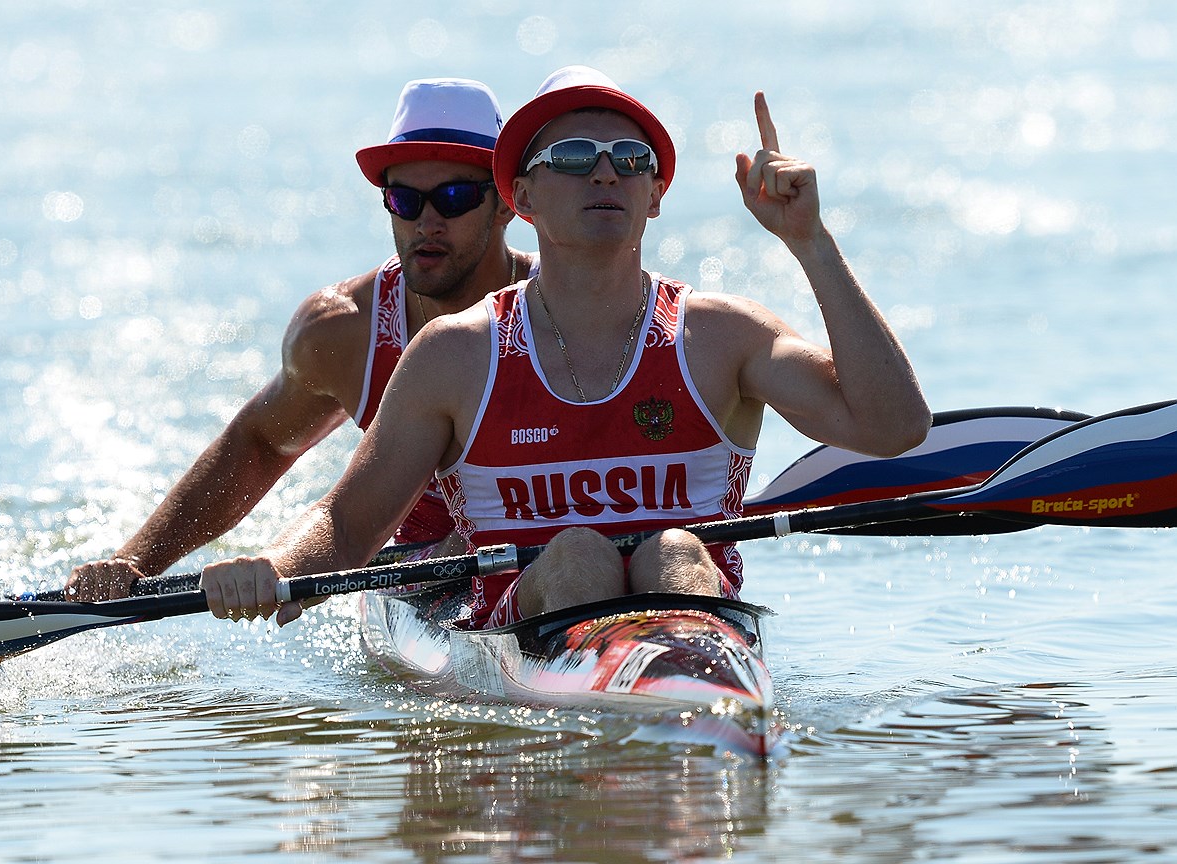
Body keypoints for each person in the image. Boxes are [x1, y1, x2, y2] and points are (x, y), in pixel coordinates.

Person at [199, 66, 931, 628]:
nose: (605, 171)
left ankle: (682, 733)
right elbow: (348, 523)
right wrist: (274, 567)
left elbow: (893, 428)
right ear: (522, 197)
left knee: (676, 551)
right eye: (576, 156)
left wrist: (811, 244)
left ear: (655, 194)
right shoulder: (455, 356)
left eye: (629, 158)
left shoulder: (720, 335)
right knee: (578, 555)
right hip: (514, 628)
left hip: (693, 629)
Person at [66, 77, 535, 601]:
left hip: (553, 563)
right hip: (424, 581)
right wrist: (135, 562)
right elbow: (260, 446)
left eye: (454, 196)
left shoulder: (572, 309)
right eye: (404, 199)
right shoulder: (344, 330)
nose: (426, 222)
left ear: (507, 203)